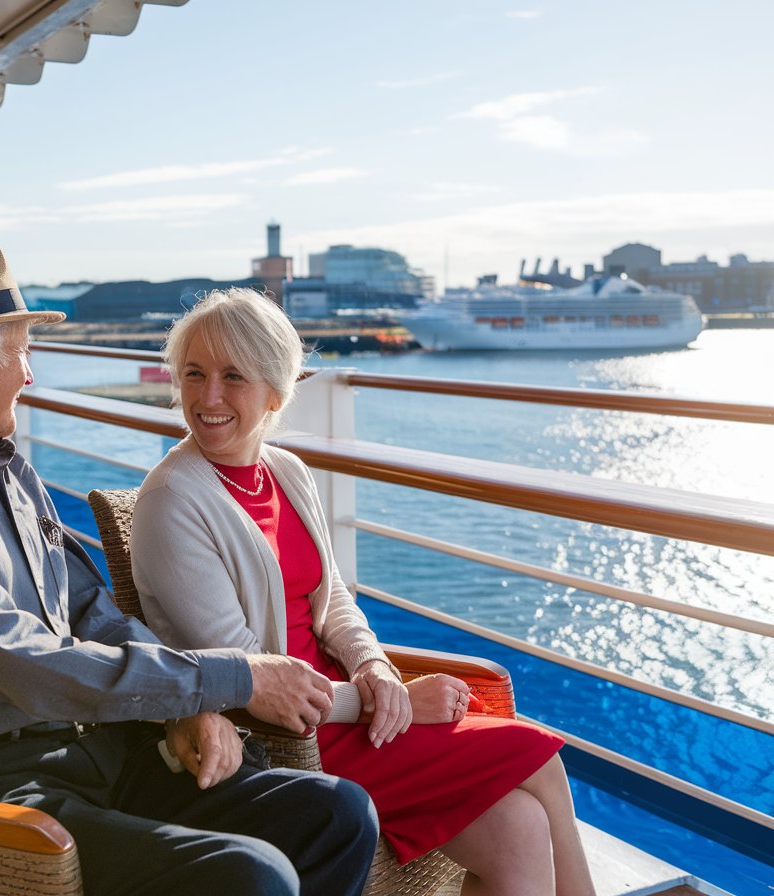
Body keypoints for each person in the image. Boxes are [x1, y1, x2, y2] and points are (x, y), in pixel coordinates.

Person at [0, 243, 379, 896]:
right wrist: (231, 679)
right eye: (22, 349)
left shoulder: (6, 471)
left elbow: (92, 614)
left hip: (104, 748)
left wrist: (180, 708)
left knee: (338, 815)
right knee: (252, 876)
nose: (28, 374)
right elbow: (22, 662)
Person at [130, 286, 598, 896]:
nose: (208, 397)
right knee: (541, 758)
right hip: (292, 736)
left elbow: (335, 601)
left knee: (521, 831)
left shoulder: (286, 472)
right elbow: (246, 674)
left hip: (348, 706)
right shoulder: (173, 500)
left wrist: (376, 669)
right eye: (194, 374)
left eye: (233, 377)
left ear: (276, 390)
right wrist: (383, 702)